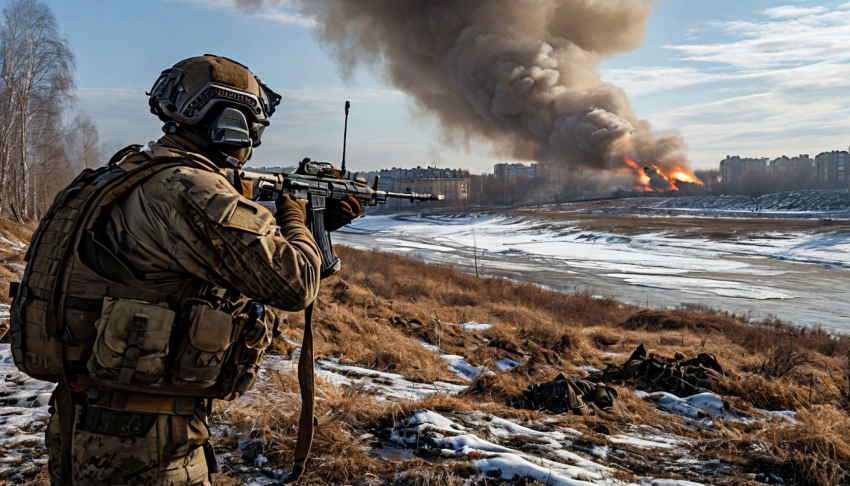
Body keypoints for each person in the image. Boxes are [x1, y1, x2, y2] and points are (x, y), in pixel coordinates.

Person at [9, 55, 360, 485]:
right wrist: (297, 221)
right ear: (231, 123)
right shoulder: (189, 189)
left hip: (82, 420)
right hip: (145, 444)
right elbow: (296, 284)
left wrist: (309, 225)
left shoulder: (123, 174)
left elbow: (207, 263)